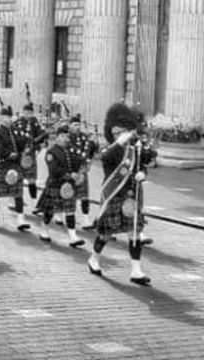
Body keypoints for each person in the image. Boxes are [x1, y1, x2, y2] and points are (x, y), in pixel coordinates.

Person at [86, 103, 156, 285]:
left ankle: (136, 270)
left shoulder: (134, 151)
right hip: (114, 196)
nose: (119, 134)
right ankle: (94, 258)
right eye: (116, 132)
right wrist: (118, 141)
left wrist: (142, 174)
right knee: (105, 234)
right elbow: (104, 157)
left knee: (135, 232)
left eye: (122, 131)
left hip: (130, 198)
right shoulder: (111, 151)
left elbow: (140, 168)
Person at [34, 125, 86, 247]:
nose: (65, 138)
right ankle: (44, 230)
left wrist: (82, 167)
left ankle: (73, 237)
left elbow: (78, 160)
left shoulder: (71, 149)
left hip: (68, 186)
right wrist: (69, 175)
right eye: (62, 136)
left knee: (70, 211)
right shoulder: (51, 151)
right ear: (57, 137)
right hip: (55, 184)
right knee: (50, 211)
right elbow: (54, 170)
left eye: (67, 136)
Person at [0, 106, 32, 231]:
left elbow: (22, 144)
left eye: (9, 117)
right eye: (5, 117)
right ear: (1, 118)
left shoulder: (16, 131)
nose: (8, 120)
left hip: (15, 165)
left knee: (18, 192)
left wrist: (27, 139)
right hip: (3, 164)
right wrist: (9, 154)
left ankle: (20, 219)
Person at [68, 114, 99, 227]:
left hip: (82, 170)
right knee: (68, 195)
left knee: (85, 196)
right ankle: (61, 214)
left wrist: (94, 142)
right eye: (75, 124)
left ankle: (85, 219)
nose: (77, 127)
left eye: (78, 125)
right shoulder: (67, 137)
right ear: (70, 125)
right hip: (71, 170)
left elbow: (92, 150)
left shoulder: (84, 136)